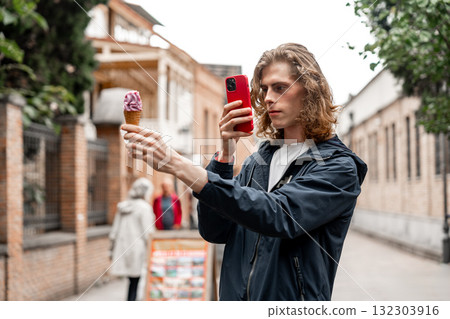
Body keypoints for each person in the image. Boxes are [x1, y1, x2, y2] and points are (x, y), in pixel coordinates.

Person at [121, 43, 367, 301]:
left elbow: (278, 215)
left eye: (280, 88)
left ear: (310, 91)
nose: (269, 97)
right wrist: (225, 157)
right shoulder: (257, 161)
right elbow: (215, 230)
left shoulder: (338, 167)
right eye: (264, 89)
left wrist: (177, 164)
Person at [109, 177, 155, 301]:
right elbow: (148, 232)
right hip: (138, 249)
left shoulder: (123, 206)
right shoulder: (144, 208)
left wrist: (111, 248)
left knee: (133, 280)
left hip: (124, 246)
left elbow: (114, 230)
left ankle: (131, 299)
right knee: (136, 279)